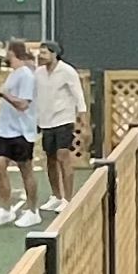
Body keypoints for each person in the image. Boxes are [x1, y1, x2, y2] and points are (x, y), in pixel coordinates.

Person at [0, 45, 43, 230]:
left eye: (7, 52)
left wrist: (5, 95)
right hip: (5, 132)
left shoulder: (26, 76)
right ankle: (5, 210)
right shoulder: (13, 74)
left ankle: (33, 212)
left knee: (26, 170)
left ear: (13, 54)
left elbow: (23, 104)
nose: (4, 55)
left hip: (22, 132)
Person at [35, 39, 87, 199]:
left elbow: (79, 97)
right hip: (46, 122)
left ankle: (68, 198)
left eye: (44, 53)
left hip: (64, 120)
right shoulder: (38, 73)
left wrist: (84, 123)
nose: (40, 56)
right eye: (40, 52)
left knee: (63, 155)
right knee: (50, 159)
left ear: (54, 54)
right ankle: (56, 196)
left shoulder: (67, 71)